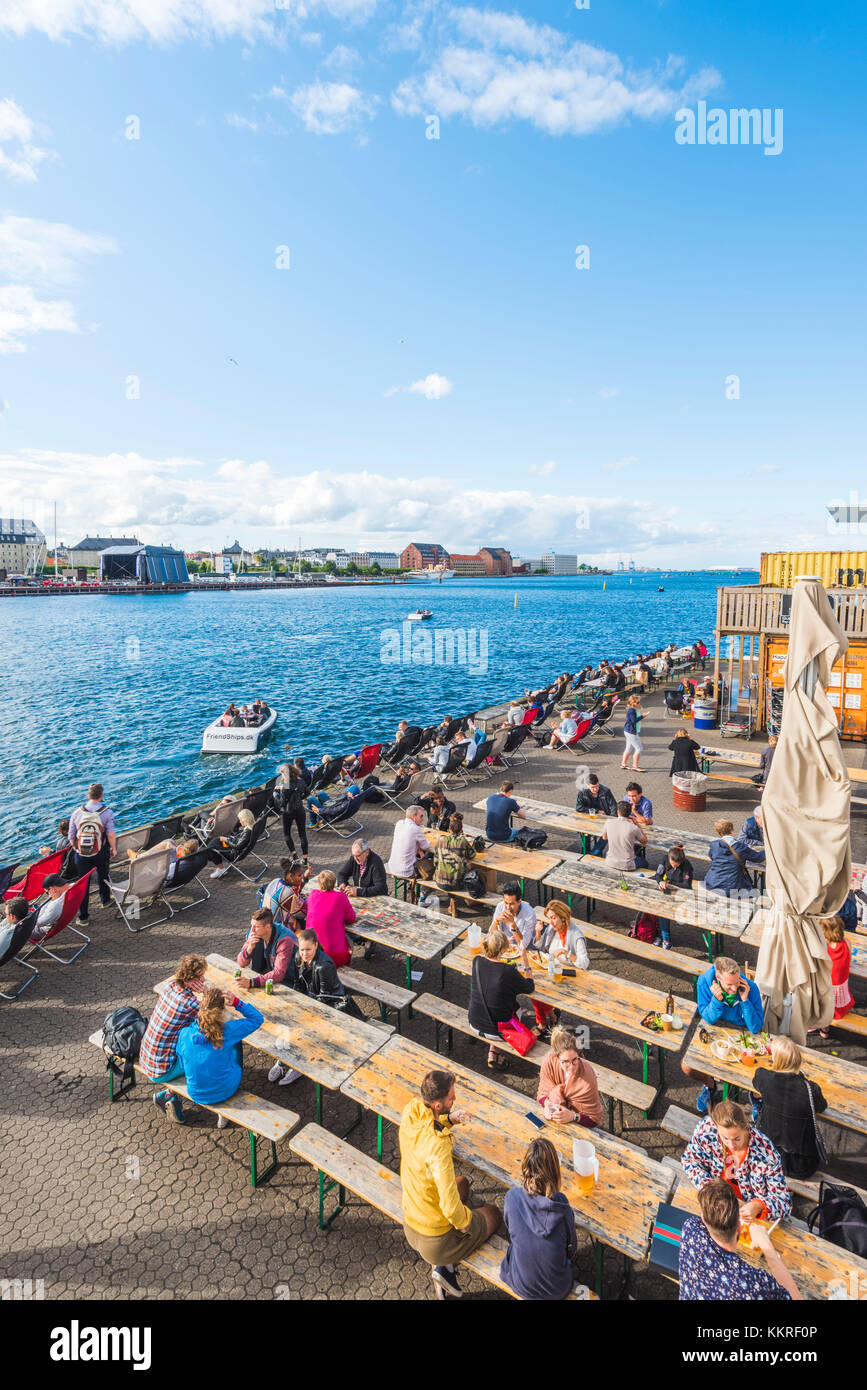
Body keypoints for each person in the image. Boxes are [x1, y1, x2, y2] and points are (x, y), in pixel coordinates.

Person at [399, 1068, 502, 1300]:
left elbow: (430, 1123)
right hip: (434, 1241)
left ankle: (443, 1266)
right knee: (494, 1214)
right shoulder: (439, 1146)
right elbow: (449, 1205)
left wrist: (448, 1119)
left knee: (463, 1183)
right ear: (438, 1104)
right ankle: (444, 1266)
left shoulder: (411, 1111)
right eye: (451, 1098)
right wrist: (464, 1223)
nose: (454, 1099)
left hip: (411, 1223)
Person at [679, 1179, 800, 1302]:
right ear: (739, 1226)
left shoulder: (690, 1229)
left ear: (704, 1220)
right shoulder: (754, 1283)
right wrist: (766, 1245)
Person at [682, 1098, 793, 1223]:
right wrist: (709, 1187)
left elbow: (784, 1202)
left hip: (746, 1214)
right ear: (716, 1127)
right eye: (725, 1138)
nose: (731, 1145)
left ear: (746, 1127)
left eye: (737, 1139)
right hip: (715, 1203)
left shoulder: (766, 1153)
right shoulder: (706, 1129)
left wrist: (759, 1206)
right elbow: (689, 1161)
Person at [682, 957, 765, 1113]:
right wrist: (717, 1001)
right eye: (729, 985)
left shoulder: (751, 987)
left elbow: (755, 1027)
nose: (734, 989)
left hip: (743, 1035)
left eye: (737, 982)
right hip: (716, 1032)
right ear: (718, 980)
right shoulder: (703, 983)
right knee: (687, 1066)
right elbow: (707, 1018)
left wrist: (745, 1000)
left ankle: (755, 1097)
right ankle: (710, 1084)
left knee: (762, 1074)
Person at [500, 1136, 579, 1301]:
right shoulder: (562, 1204)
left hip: (521, 1285)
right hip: (557, 1289)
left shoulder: (511, 1197)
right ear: (555, 1170)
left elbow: (511, 1231)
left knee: (514, 1249)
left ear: (525, 1167)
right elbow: (572, 1248)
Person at [176, 986, 264, 1125]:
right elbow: (257, 1019)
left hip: (196, 1092)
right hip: (226, 1090)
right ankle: (223, 1110)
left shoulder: (185, 1033)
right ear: (221, 1011)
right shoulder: (227, 1031)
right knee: (235, 1043)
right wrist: (236, 1002)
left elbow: (182, 1064)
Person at [141, 952, 207, 1123]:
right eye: (200, 978)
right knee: (201, 1056)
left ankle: (169, 1096)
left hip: (146, 1056)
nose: (203, 981)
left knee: (189, 1042)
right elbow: (213, 1016)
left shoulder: (170, 985)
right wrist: (206, 993)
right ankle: (171, 1097)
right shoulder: (190, 1003)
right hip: (160, 1069)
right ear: (189, 980)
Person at [753, 1036, 828, 1178]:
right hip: (802, 1166)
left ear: (777, 1060)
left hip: (769, 1156)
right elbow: (822, 1106)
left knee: (756, 1099)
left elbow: (757, 1076)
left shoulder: (765, 1079)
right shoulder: (811, 1089)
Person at [468, 927, 536, 1067]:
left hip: (474, 1022)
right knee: (519, 1009)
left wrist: (500, 942)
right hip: (496, 1031)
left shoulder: (476, 962)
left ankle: (493, 1052)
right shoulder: (507, 971)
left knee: (497, 1003)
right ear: (503, 950)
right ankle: (496, 1050)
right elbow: (529, 987)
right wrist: (525, 960)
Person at [68, 783, 117, 925]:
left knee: (83, 884)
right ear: (101, 795)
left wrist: (76, 848)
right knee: (103, 875)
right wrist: (113, 849)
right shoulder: (107, 812)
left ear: (88, 795)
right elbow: (111, 834)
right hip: (101, 851)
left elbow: (71, 836)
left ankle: (83, 917)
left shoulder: (77, 813)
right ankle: (105, 900)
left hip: (82, 854)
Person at [537, 1024, 602, 1127]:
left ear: (578, 1055)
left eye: (574, 1060)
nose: (571, 1067)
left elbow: (593, 1120)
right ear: (557, 1058)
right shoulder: (549, 1062)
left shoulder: (588, 1076)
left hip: (579, 1125)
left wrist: (573, 1116)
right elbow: (542, 1092)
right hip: (554, 1119)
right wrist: (547, 1104)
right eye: (565, 1062)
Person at [292, 928, 363, 1016]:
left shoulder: (324, 966)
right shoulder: (298, 957)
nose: (305, 953)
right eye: (302, 949)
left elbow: (325, 997)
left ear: (316, 945)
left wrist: (307, 1007)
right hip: (312, 997)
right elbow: (297, 983)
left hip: (333, 1004)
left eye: (308, 949)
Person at [236, 906, 298, 991]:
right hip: (269, 973)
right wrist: (249, 948)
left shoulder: (284, 940)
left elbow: (279, 974)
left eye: (256, 926)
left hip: (289, 981)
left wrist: (251, 982)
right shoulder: (255, 933)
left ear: (268, 927)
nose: (252, 930)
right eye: (252, 925)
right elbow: (240, 962)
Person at [305, 869, 356, 967]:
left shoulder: (313, 895)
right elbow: (351, 918)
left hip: (313, 953)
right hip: (336, 956)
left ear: (319, 883)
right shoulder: (341, 897)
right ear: (334, 883)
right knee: (350, 943)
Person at [653, 846, 695, 947]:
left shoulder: (687, 865)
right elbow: (658, 875)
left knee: (663, 910)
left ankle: (665, 939)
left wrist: (670, 884)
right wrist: (661, 881)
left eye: (677, 865)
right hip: (667, 891)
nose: (674, 866)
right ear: (669, 858)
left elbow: (687, 885)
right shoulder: (664, 859)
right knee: (654, 906)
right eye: (672, 864)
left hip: (681, 895)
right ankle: (659, 935)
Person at [819, 915, 853, 1035]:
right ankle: (825, 1028)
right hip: (841, 995)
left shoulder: (823, 948)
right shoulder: (847, 943)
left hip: (827, 993)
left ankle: (823, 1026)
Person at [704, 820, 754, 897]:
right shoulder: (740, 847)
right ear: (732, 830)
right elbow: (758, 857)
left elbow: (711, 856)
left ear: (719, 833)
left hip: (712, 883)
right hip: (732, 887)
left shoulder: (714, 845)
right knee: (750, 891)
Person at [273, 764, 309, 870]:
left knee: (287, 834)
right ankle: (305, 859)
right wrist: (299, 798)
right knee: (302, 834)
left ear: (284, 773)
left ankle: (295, 856)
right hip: (300, 810)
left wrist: (276, 794)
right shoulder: (300, 780)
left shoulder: (285, 785)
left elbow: (281, 803)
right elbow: (307, 792)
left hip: (288, 812)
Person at [385, 806, 431, 884]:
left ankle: (412, 887)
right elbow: (426, 846)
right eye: (421, 816)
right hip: (406, 871)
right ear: (413, 817)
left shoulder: (399, 823)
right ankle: (421, 892)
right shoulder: (415, 829)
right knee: (430, 867)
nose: (423, 819)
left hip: (392, 866)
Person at [205, 807, 255, 878]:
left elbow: (238, 846)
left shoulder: (247, 832)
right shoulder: (252, 828)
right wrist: (230, 838)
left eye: (240, 820)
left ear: (245, 820)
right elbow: (240, 842)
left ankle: (221, 869)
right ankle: (218, 859)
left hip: (233, 854)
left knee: (211, 849)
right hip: (239, 850)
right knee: (216, 840)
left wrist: (226, 840)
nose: (240, 822)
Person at [260, 858, 308, 932]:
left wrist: (305, 878)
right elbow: (302, 912)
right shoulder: (288, 893)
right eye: (299, 875)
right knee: (305, 924)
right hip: (275, 929)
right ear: (291, 876)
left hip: (264, 921)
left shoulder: (276, 881)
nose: (301, 878)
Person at [576, 773, 616, 856]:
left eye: (597, 786)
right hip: (590, 818)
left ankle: (594, 853)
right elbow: (579, 807)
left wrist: (611, 821)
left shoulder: (606, 791)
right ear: (587, 785)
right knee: (584, 832)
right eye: (593, 787)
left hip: (605, 818)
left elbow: (614, 806)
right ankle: (586, 853)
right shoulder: (582, 792)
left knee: (607, 834)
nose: (596, 789)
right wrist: (596, 811)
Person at [433, 812, 476, 889]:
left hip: (440, 882)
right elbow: (472, 855)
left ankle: (453, 899)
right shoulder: (462, 841)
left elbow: (435, 861)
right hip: (457, 884)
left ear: (449, 829)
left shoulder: (441, 839)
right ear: (461, 830)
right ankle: (454, 899)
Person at [601, 801, 646, 872]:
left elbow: (604, 837)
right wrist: (638, 825)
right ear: (630, 813)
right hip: (627, 865)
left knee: (607, 853)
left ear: (618, 812)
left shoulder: (609, 822)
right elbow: (644, 841)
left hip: (610, 861)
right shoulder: (634, 828)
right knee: (644, 862)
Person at [492, 881, 539, 949]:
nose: (508, 907)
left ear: (519, 901)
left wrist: (513, 925)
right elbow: (491, 934)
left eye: (512, 904)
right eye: (506, 903)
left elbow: (523, 944)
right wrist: (496, 921)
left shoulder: (529, 913)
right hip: (505, 946)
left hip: (526, 949)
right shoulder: (500, 906)